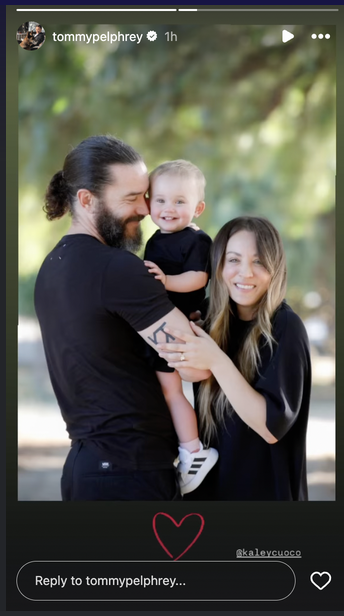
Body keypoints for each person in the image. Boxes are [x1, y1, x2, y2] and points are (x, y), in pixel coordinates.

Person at [34, 135, 211, 501]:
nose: (146, 210)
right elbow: (198, 369)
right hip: (129, 474)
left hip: (87, 471)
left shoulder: (50, 268)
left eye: (145, 196)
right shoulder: (118, 269)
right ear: (86, 199)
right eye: (132, 199)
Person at [157, 216, 311, 501]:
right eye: (234, 260)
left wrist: (216, 360)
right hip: (209, 495)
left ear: (275, 268)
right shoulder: (209, 317)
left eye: (259, 262)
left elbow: (270, 428)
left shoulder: (285, 327)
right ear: (219, 265)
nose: (246, 273)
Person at [143, 160, 218, 494]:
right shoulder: (155, 240)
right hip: (159, 325)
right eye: (159, 200)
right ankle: (179, 446)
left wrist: (166, 281)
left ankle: (193, 451)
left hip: (180, 327)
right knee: (165, 392)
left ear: (198, 207)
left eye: (179, 201)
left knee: (173, 392)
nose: (167, 209)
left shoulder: (197, 241)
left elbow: (198, 278)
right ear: (148, 202)